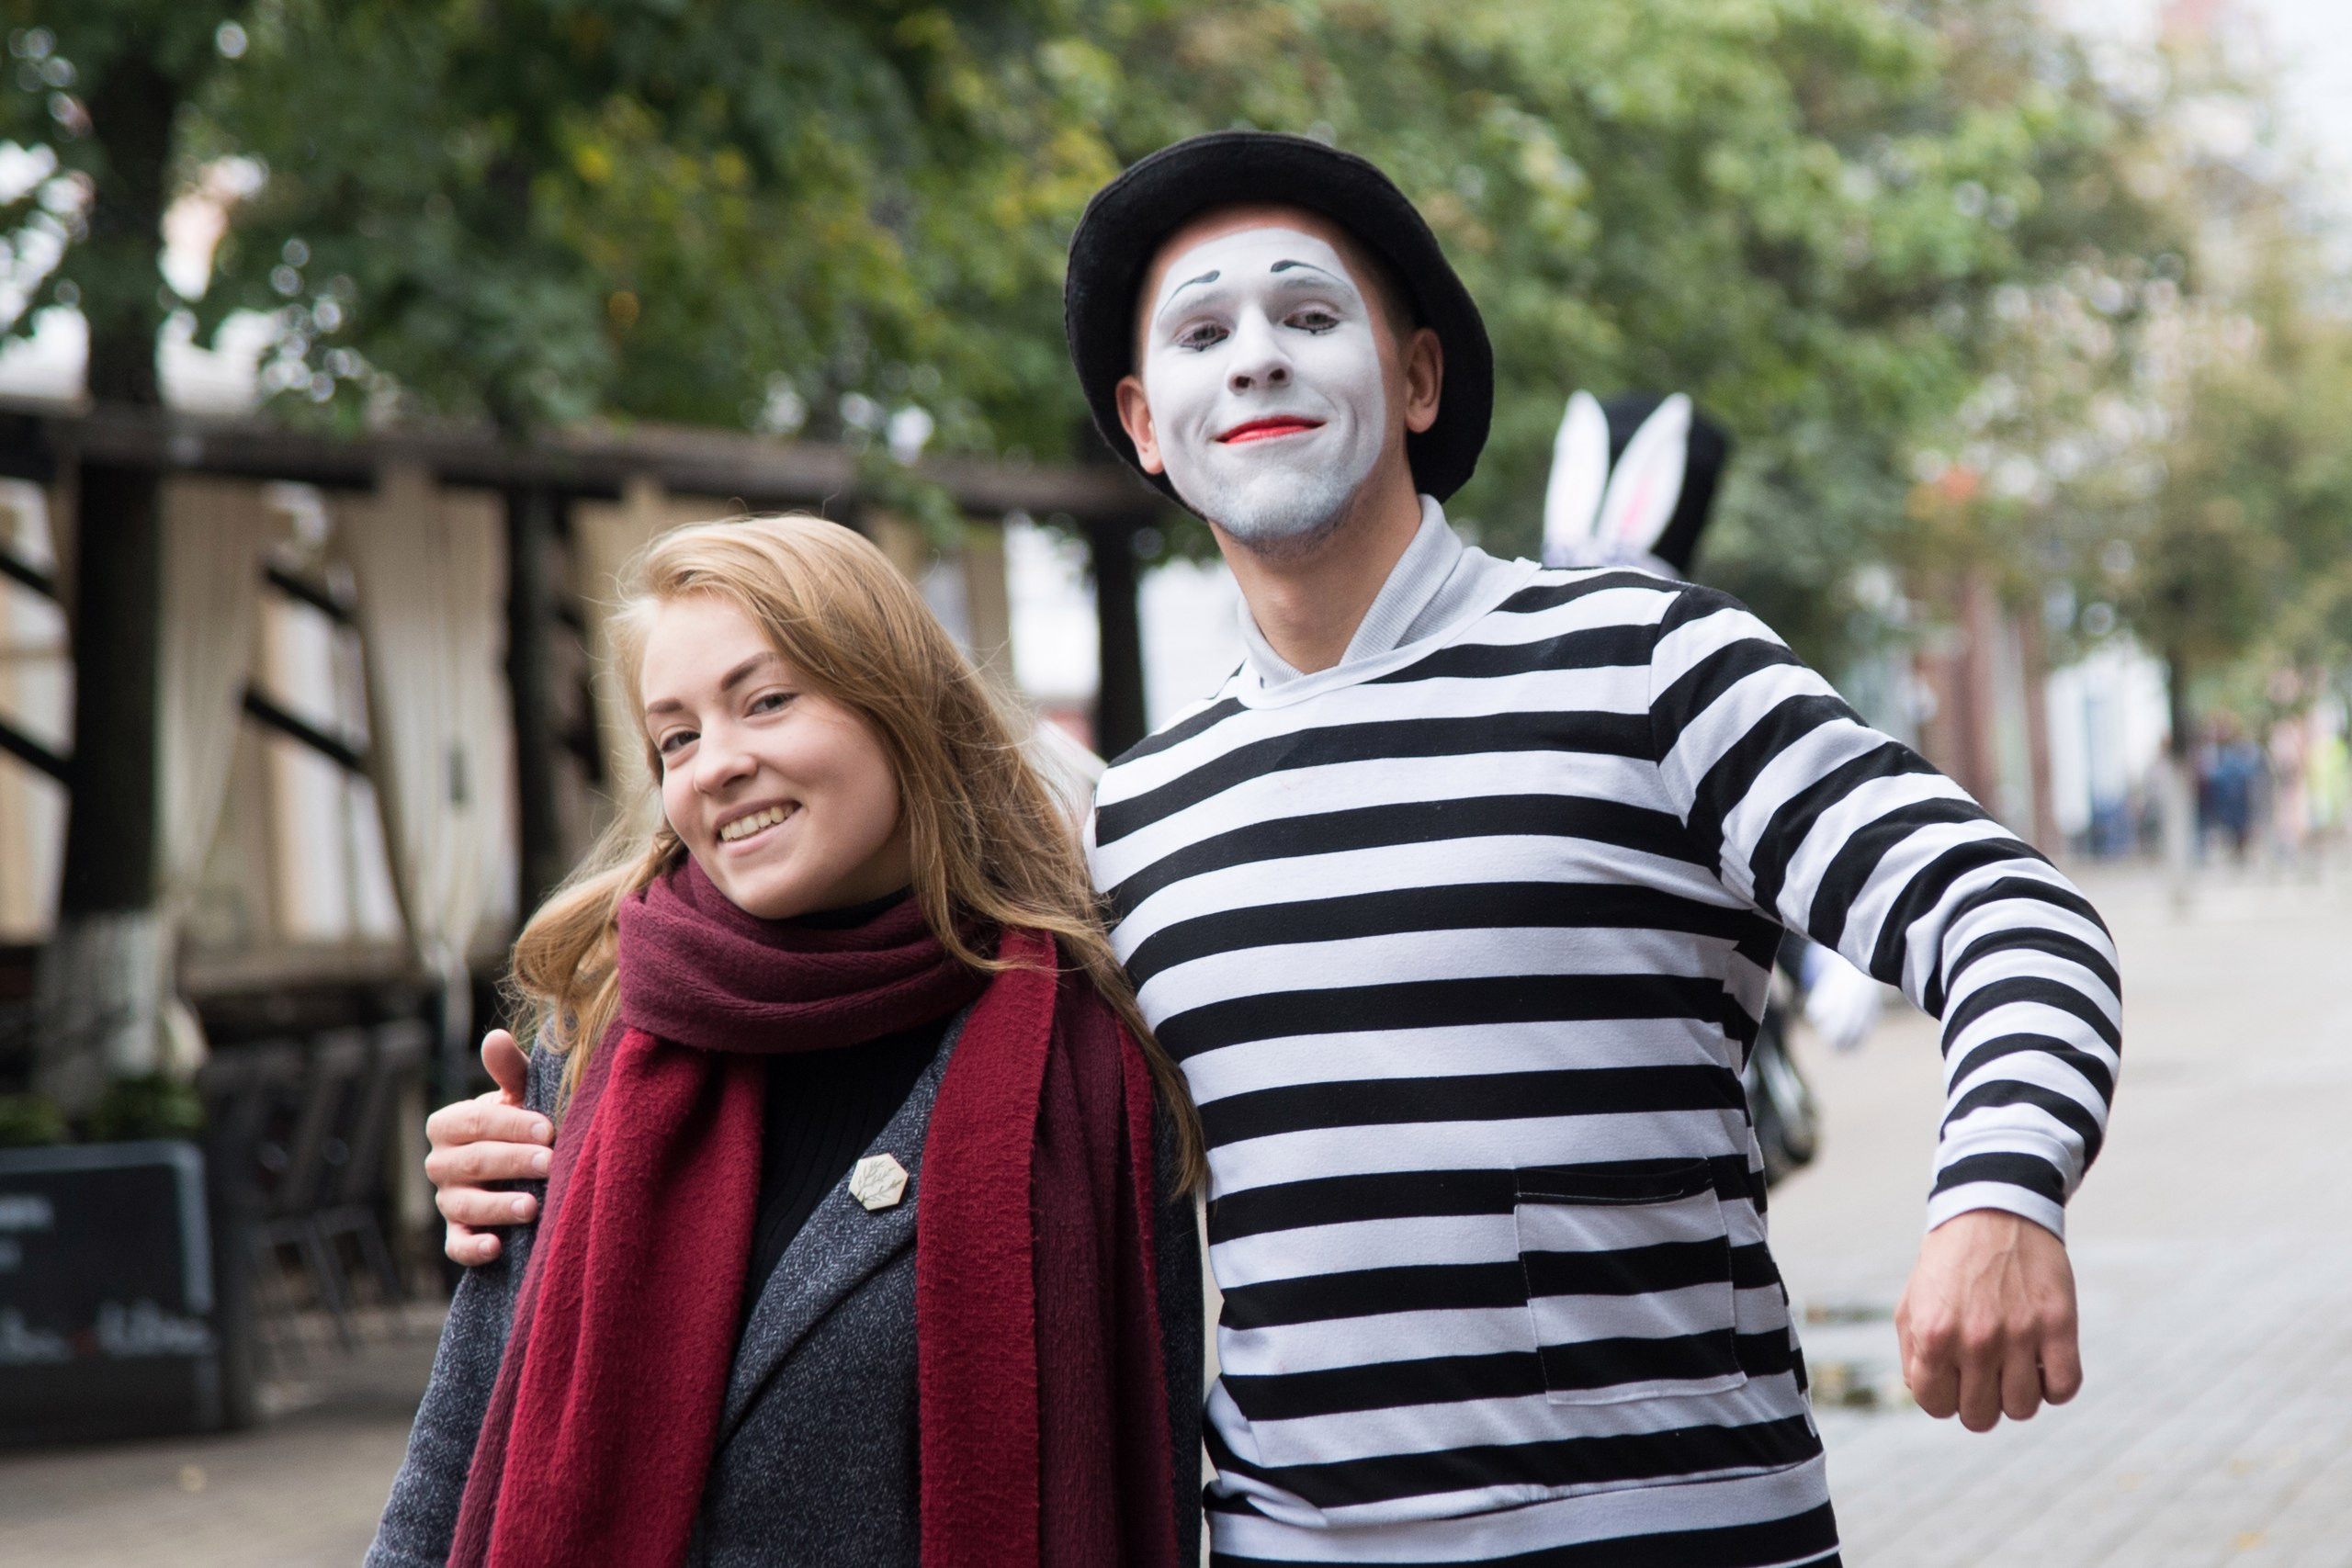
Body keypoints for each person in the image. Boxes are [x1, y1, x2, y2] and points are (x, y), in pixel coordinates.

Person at [430, 133, 2122, 1565]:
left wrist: (1997, 1187)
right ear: (1146, 426)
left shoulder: (1648, 666)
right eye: (1201, 333)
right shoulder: (1139, 824)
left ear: (1416, 374)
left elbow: (2006, 912)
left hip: (1682, 1535)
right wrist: (559, 1149)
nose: (1255, 355)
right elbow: (889, 1037)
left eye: (1309, 313)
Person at [369, 515, 1203, 1568]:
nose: (715, 766)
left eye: (765, 701)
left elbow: (1151, 1463)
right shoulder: (596, 1039)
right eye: (676, 737)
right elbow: (456, 1449)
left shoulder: (1087, 1062)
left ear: (897, 707)